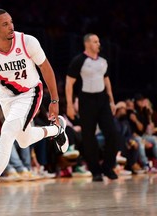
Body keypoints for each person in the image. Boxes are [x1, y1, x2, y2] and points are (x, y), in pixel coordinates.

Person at [0, 9, 68, 213]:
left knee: (7, 134)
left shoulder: (28, 42)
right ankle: (57, 130)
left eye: (11, 22)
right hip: (6, 98)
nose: (11, 27)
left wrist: (55, 99)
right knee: (23, 140)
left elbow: (46, 68)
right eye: (5, 24)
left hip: (31, 93)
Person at [65, 33, 118, 182]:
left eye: (98, 41)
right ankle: (95, 171)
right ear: (87, 44)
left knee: (112, 133)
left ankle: (108, 167)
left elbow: (106, 80)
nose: (98, 44)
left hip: (102, 100)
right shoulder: (78, 61)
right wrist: (70, 104)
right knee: (89, 138)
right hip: (86, 101)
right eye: (95, 42)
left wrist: (112, 100)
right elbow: (69, 83)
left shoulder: (103, 61)